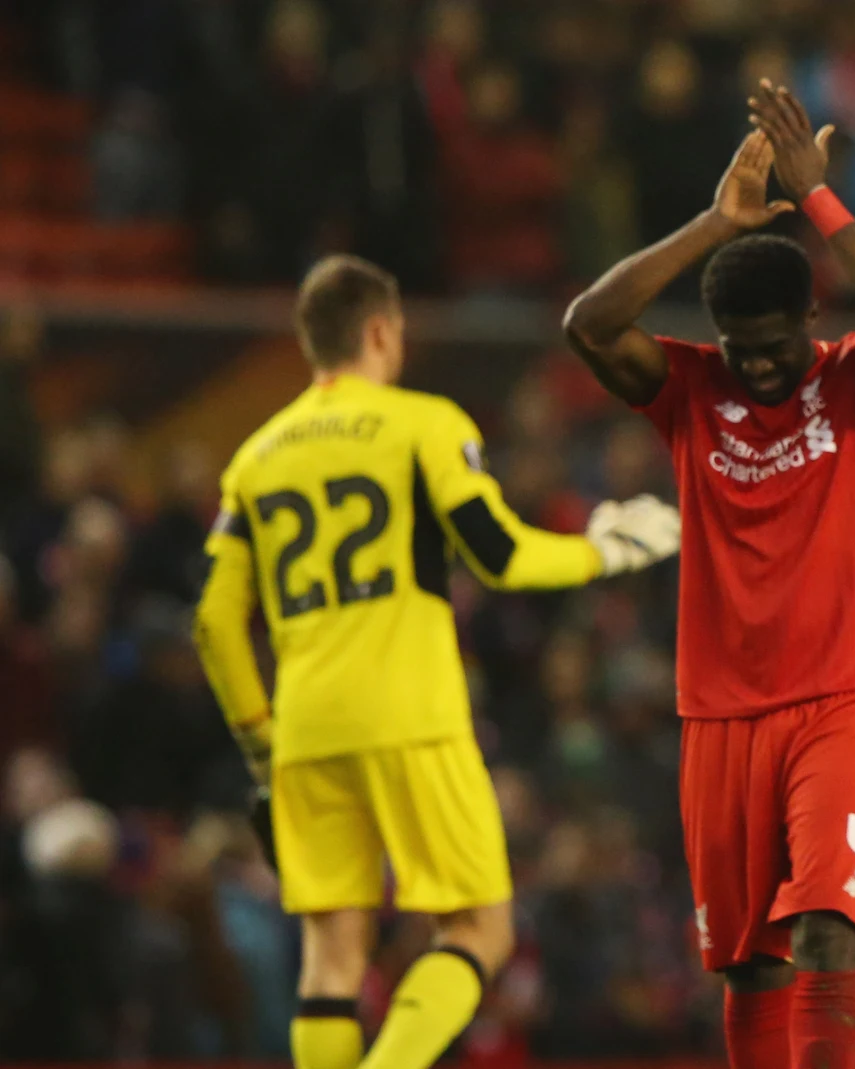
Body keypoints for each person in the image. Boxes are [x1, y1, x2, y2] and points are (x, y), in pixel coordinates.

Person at [193, 254, 682, 1069]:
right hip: (411, 714)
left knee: (331, 954)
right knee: (479, 930)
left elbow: (212, 620)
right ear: (381, 331)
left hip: (306, 728)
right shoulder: (423, 422)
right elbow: (497, 555)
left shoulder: (254, 456)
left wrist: (259, 738)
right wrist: (606, 549)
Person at [562, 80, 855, 1069]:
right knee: (746, 967)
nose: (760, 367)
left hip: (844, 703)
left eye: (774, 348)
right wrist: (715, 224)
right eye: (741, 349)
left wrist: (820, 200)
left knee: (825, 927)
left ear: (808, 318)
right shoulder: (691, 390)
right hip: (720, 714)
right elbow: (590, 325)